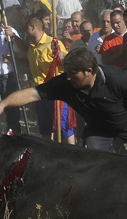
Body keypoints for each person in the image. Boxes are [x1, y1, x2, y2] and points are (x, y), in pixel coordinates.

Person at [0, 47, 127, 156]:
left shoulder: (116, 78)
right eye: (66, 72)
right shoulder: (66, 82)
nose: (67, 77)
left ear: (89, 71)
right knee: (90, 164)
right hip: (99, 128)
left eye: (72, 73)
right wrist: (3, 104)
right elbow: (33, 94)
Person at [20, 15, 75, 144]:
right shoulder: (32, 47)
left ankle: (72, 154)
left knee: (64, 127)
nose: (24, 31)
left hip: (56, 92)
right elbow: (30, 64)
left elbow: (70, 62)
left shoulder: (53, 43)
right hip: (39, 92)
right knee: (45, 128)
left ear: (33, 27)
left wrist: (62, 55)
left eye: (26, 28)